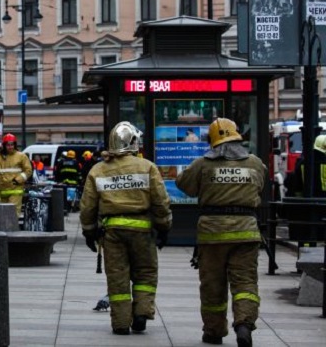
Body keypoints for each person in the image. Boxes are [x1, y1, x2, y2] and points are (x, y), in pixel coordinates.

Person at [176, 118, 266, 347]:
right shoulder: (255, 163)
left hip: (212, 234)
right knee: (245, 282)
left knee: (213, 285)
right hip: (246, 232)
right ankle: (244, 324)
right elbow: (261, 186)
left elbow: (183, 185)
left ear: (212, 141)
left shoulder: (203, 164)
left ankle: (214, 332)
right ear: (237, 135)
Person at [80, 121, 172, 336]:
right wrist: (164, 227)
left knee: (117, 277)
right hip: (142, 232)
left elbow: (88, 205)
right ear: (132, 142)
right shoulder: (147, 167)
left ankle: (121, 323)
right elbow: (160, 201)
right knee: (146, 273)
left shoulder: (98, 170)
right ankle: (141, 313)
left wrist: (88, 231)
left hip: (112, 234)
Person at [0, 133, 33, 216]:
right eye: (8, 145)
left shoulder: (21, 156)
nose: (10, 147)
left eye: (12, 144)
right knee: (3, 213)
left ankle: (11, 228)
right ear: (4, 145)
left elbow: (28, 170)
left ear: (15, 145)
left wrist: (17, 180)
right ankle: (6, 228)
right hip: (2, 190)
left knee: (12, 212)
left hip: (16, 189)